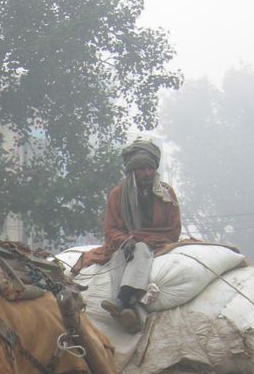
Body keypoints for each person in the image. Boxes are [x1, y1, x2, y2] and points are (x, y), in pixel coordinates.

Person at [72, 138, 182, 334]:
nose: (147, 173)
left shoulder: (166, 193)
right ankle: (127, 311)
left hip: (156, 245)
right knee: (118, 256)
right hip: (124, 245)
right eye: (142, 169)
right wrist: (124, 241)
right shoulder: (118, 194)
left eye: (150, 169)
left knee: (140, 249)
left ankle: (122, 300)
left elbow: (174, 230)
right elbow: (110, 229)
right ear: (133, 171)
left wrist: (141, 239)